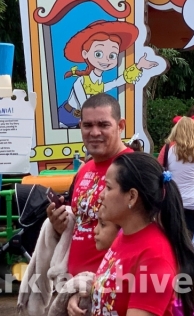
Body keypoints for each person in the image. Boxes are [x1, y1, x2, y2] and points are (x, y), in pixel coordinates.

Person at [91, 153, 194, 316]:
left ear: (132, 196)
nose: (101, 195)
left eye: (108, 187)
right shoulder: (123, 236)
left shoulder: (154, 257)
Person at [48, 93, 134, 286]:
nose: (94, 132)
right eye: (88, 125)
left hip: (114, 287)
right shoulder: (84, 169)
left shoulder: (134, 168)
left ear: (120, 126)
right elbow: (80, 223)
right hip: (74, 285)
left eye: (103, 125)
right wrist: (60, 224)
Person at [158, 116, 194, 234]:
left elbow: (158, 170)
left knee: (174, 236)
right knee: (192, 238)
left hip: (174, 200)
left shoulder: (168, 148)